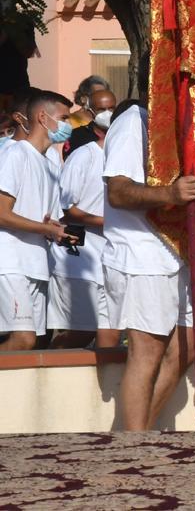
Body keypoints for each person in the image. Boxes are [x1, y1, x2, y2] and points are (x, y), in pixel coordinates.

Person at [103, 101, 195, 429]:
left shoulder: (178, 124)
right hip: (141, 256)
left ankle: (142, 432)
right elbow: (117, 192)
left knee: (185, 348)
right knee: (146, 354)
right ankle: (134, 450)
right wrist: (170, 194)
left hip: (174, 254)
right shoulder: (133, 122)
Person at [0, 91, 78, 350]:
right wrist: (45, 228)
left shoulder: (50, 164)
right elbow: (2, 213)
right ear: (42, 117)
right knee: (23, 339)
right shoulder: (15, 154)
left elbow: (45, 218)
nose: (68, 125)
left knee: (31, 344)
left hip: (36, 264)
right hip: (11, 262)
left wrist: (55, 228)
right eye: (64, 118)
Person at [51, 94, 118, 349]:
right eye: (104, 109)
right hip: (80, 259)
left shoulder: (122, 159)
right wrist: (105, 221)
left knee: (110, 335)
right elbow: (65, 209)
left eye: (113, 108)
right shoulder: (83, 156)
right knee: (81, 334)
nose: (108, 113)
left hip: (109, 259)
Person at [66, 88, 116, 158]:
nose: (108, 113)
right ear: (90, 112)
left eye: (111, 108)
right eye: (101, 109)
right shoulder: (76, 136)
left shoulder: (122, 132)